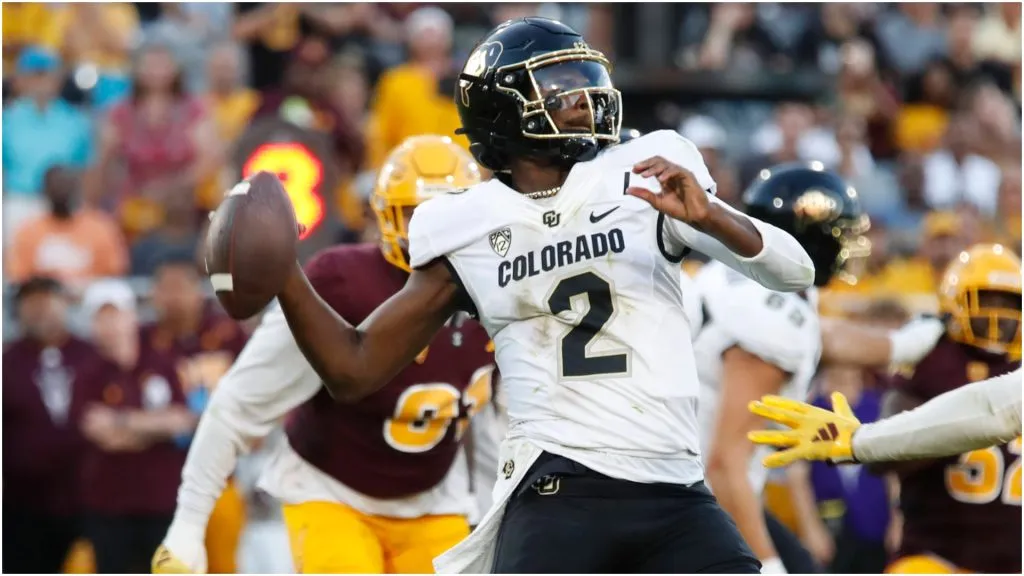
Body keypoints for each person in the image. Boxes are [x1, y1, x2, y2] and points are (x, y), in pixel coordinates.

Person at [249, 18, 816, 573]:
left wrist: (712, 217)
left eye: (584, 79)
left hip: (673, 484)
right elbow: (355, 369)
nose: (584, 97)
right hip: (557, 485)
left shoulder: (645, 172)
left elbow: (795, 272)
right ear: (500, 110)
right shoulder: (466, 223)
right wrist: (286, 275)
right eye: (559, 86)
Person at [153, 135, 498, 574]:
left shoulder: (496, 289)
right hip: (331, 493)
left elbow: (492, 423)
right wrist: (187, 525)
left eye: (445, 213)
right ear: (386, 215)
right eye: (415, 213)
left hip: (435, 500)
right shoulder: (342, 284)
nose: (432, 231)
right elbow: (239, 403)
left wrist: (498, 516)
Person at [750, 243, 1022, 574]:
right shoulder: (935, 358)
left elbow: (990, 411)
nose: (998, 316)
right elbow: (890, 455)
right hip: (937, 553)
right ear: (955, 302)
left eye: (1009, 304)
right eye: (987, 300)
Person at [76, 279, 197, 573]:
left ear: (132, 316)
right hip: (109, 506)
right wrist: (155, 427)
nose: (109, 325)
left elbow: (181, 420)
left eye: (115, 315)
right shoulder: (87, 371)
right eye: (101, 318)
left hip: (162, 501)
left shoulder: (162, 362)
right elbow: (99, 432)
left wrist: (121, 421)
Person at [145, 250, 251, 574]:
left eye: (180, 287)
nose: (173, 297)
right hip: (160, 479)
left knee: (222, 564)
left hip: (221, 477)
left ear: (197, 290)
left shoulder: (227, 333)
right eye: (165, 288)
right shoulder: (143, 340)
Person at [2, 276, 99, 573]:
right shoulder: (8, 361)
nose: (39, 309)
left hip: (88, 500)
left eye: (46, 300)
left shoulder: (91, 355)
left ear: (64, 304)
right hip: (22, 506)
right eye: (30, 303)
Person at [6, 165, 129, 286]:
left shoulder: (101, 228)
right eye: (57, 186)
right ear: (45, 191)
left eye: (66, 186)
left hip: (87, 292)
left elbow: (114, 273)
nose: (61, 191)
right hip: (44, 293)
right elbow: (18, 275)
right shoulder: (29, 230)